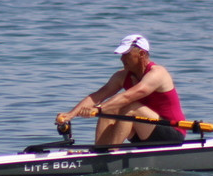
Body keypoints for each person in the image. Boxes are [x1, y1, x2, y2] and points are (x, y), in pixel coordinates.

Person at [56, 34, 186, 146]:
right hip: (143, 131)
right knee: (111, 108)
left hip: (172, 133)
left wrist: (98, 109)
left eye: (126, 55)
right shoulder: (122, 76)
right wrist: (71, 114)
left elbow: (127, 97)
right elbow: (97, 96)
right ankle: (100, 152)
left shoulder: (158, 73)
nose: (121, 59)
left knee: (130, 107)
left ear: (142, 54)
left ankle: (111, 153)